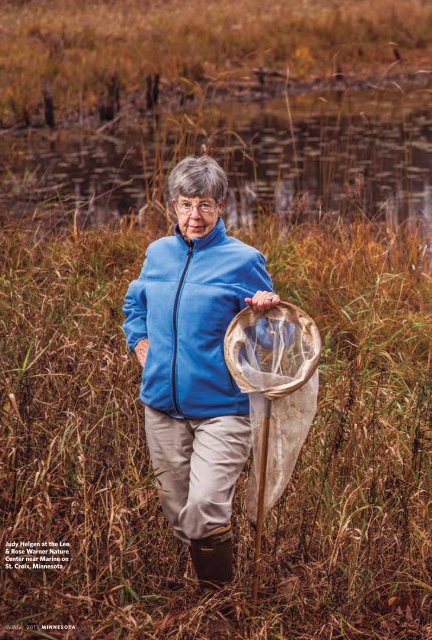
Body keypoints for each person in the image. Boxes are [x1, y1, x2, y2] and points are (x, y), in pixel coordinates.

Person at [122, 155, 280, 590]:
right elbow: (135, 305)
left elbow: (268, 343)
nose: (195, 216)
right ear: (173, 204)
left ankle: (219, 601)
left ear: (221, 207)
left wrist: (265, 312)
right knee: (179, 514)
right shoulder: (157, 254)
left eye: (206, 205)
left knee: (206, 507)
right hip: (161, 406)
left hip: (223, 410)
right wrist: (139, 342)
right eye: (187, 204)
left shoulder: (244, 260)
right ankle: (197, 591)